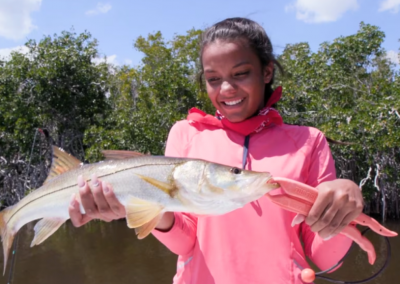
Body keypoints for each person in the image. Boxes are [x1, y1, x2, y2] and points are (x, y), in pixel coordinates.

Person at [68, 17, 364, 284]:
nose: (226, 89)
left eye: (241, 73)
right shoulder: (186, 133)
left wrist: (346, 204)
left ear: (267, 71)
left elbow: (327, 259)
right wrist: (153, 210)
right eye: (213, 79)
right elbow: (185, 243)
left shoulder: (309, 142)